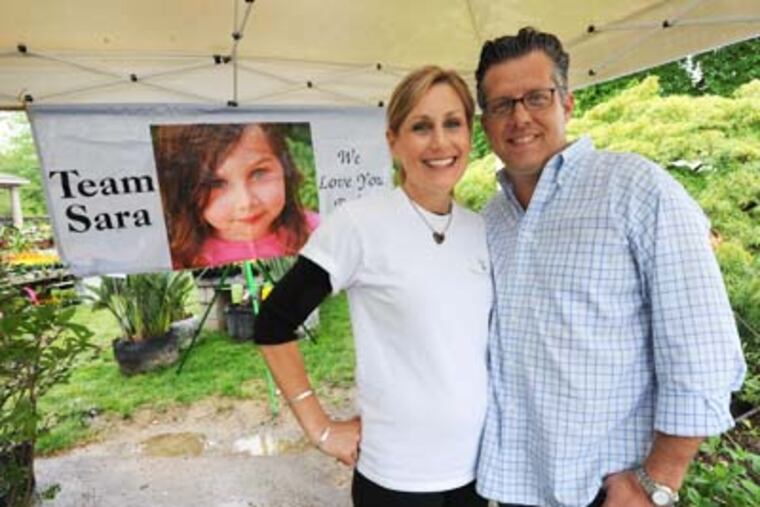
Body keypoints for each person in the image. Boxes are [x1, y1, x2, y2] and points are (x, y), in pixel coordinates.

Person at [474, 27, 746, 507]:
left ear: (567, 103)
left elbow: (704, 350)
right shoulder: (490, 220)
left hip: (608, 490)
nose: (520, 117)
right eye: (501, 105)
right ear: (486, 122)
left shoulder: (637, 190)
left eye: (536, 97)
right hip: (515, 485)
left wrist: (658, 481)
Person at [252, 66, 491, 506]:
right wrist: (320, 427)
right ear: (393, 140)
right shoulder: (361, 224)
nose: (440, 142)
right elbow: (273, 322)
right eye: (421, 127)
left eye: (452, 123)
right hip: (396, 477)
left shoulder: (481, 229)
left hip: (476, 474)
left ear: (469, 133)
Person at [152, 123, 319, 269]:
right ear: (184, 192)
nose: (245, 202)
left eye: (258, 173)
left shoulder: (320, 232)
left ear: (285, 166)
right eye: (216, 184)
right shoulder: (176, 259)